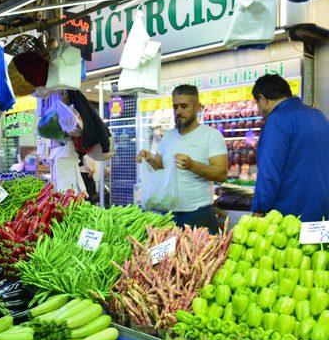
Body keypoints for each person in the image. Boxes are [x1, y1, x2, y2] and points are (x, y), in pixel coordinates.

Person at [136, 85, 228, 233]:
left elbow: (221, 174)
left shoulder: (212, 135)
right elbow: (160, 167)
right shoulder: (168, 136)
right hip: (168, 214)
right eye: (175, 107)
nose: (178, 111)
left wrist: (192, 165)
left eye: (184, 106)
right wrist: (149, 158)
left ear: (198, 107)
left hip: (199, 214)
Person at [250, 74, 329, 221]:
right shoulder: (319, 116)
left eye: (257, 104)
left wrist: (259, 209)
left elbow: (269, 171)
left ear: (262, 99)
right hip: (323, 212)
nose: (259, 111)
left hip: (291, 217)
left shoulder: (277, 120)